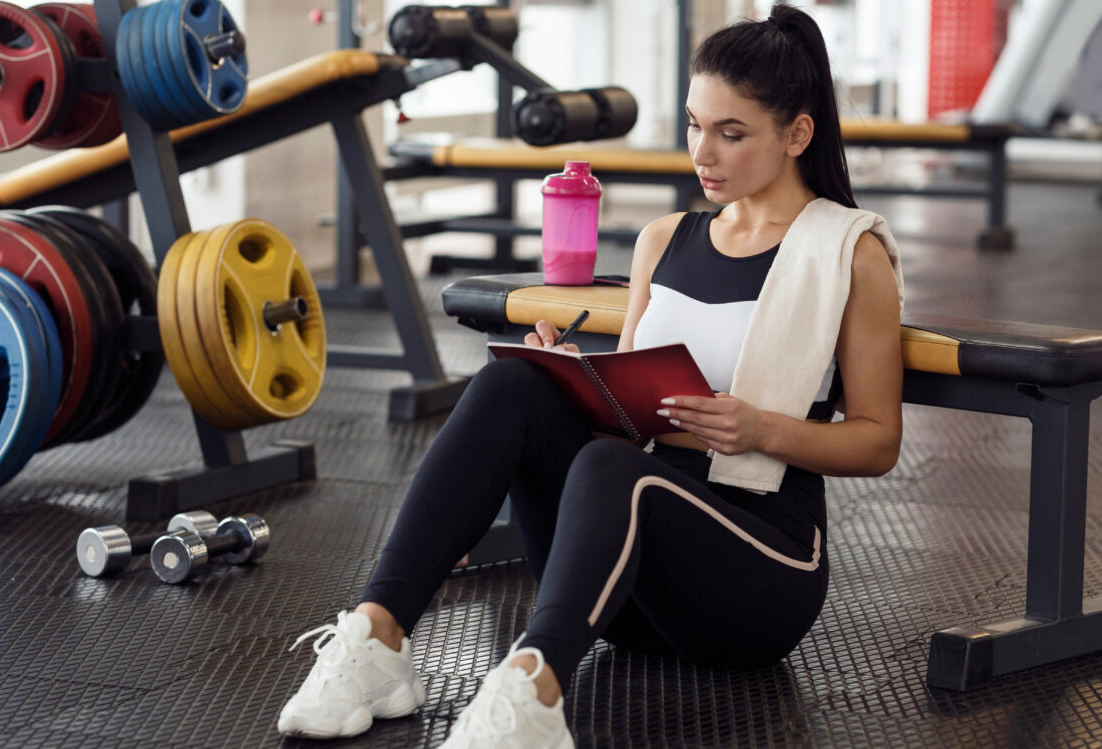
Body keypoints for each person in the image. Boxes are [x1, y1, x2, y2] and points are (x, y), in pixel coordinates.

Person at [277, 5, 903, 747]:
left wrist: (762, 427)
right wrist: (578, 378)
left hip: (758, 576)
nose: (704, 152)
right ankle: (377, 637)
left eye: (731, 134)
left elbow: (878, 441)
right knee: (515, 386)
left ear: (797, 134)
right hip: (630, 584)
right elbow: (625, 416)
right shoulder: (664, 239)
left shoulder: (849, 254)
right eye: (696, 125)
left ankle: (534, 690)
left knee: (612, 468)